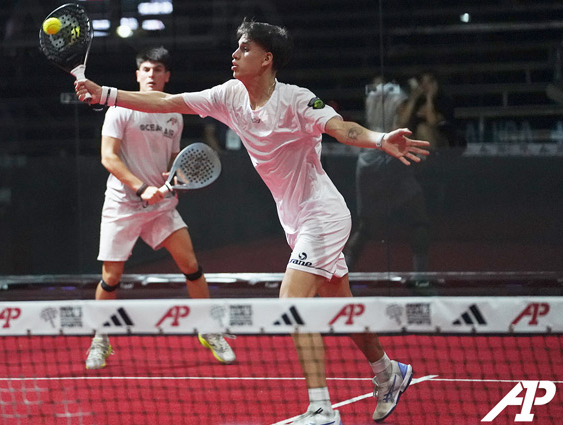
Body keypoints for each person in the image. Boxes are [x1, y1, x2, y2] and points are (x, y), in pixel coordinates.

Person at [76, 21, 428, 425]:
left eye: (244, 49)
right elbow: (169, 103)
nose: (235, 54)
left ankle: (320, 409)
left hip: (323, 214)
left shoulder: (297, 100)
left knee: (292, 304)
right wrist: (105, 94)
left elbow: (342, 129)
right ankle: (388, 372)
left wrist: (381, 139)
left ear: (266, 59)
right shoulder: (229, 96)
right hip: (295, 220)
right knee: (341, 307)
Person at [85, 46, 236, 370]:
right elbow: (108, 157)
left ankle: (209, 329)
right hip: (123, 203)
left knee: (191, 264)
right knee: (111, 277)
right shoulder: (119, 109)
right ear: (137, 75)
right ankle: (100, 339)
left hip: (161, 206)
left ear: (167, 77)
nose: (152, 75)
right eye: (146, 70)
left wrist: (172, 174)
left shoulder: (174, 115)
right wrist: (141, 187)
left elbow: (171, 158)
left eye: (158, 70)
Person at [344, 76, 431, 284]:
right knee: (419, 219)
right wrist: (415, 97)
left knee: (366, 227)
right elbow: (401, 123)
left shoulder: (371, 95)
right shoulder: (396, 93)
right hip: (389, 157)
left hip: (367, 159)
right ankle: (420, 279)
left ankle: (342, 275)